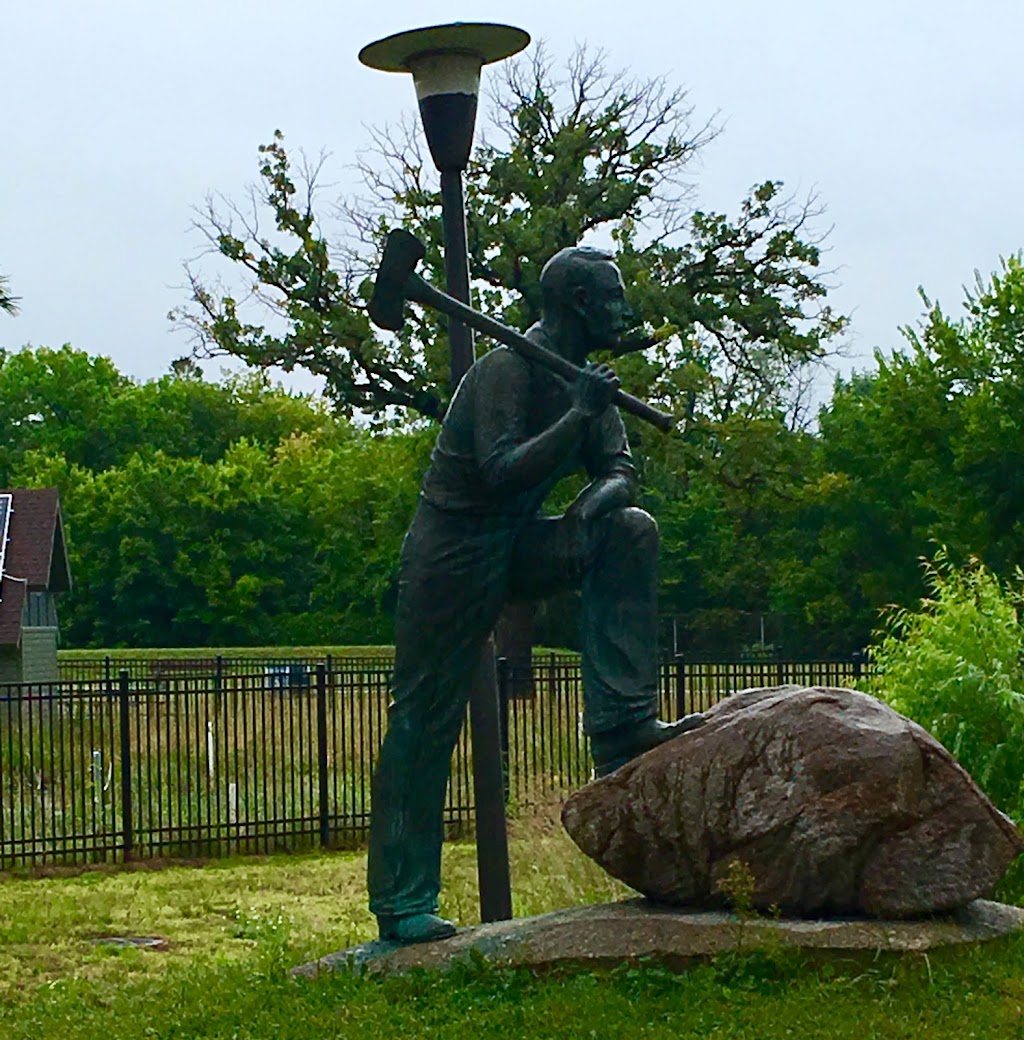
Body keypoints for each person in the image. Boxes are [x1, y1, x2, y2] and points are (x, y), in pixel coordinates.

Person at [367, 245, 703, 945]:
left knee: (628, 532)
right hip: (452, 554)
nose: (625, 310)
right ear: (580, 304)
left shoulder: (585, 382)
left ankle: (620, 728)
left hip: (520, 547)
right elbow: (498, 473)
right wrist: (578, 416)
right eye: (614, 297)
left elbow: (619, 470)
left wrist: (593, 503)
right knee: (424, 717)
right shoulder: (507, 370)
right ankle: (403, 901)